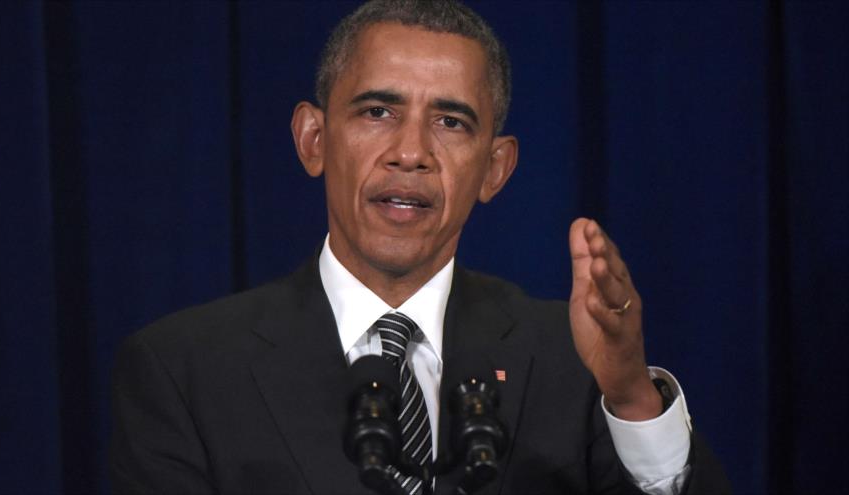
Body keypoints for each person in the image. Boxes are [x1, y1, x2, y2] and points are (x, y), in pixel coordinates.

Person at [111, 1, 730, 494]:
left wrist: (629, 396)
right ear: (314, 140)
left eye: (450, 122)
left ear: (495, 168)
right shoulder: (184, 370)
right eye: (378, 111)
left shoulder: (575, 361)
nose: (411, 152)